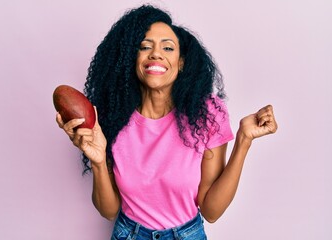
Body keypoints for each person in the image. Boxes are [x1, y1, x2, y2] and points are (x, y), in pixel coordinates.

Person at [56, 5, 278, 240]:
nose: (155, 54)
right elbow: (108, 210)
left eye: (168, 47)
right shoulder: (114, 117)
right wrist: (99, 161)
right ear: (132, 58)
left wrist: (244, 139)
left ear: (181, 62)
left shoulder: (207, 114)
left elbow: (211, 212)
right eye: (144, 47)